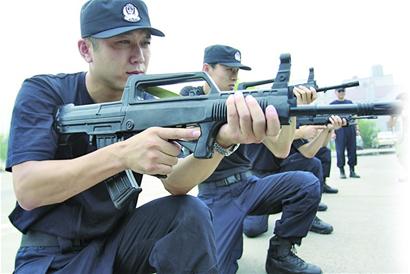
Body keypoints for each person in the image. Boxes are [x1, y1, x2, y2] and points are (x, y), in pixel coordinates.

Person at [5, 2, 282, 273]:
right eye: (122, 42)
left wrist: (221, 142)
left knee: (189, 212)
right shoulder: (45, 92)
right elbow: (29, 189)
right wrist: (123, 154)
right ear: (86, 49)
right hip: (51, 256)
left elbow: (176, 183)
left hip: (118, 243)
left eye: (145, 42)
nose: (139, 55)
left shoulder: (147, 104)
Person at [181, 44, 323, 274]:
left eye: (237, 71)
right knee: (216, 269)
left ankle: (281, 256)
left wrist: (289, 108)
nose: (234, 77)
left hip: (249, 185)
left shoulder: (245, 103)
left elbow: (281, 148)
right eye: (228, 70)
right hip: (215, 194)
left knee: (307, 184)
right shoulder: (189, 99)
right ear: (206, 69)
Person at [243, 118, 344, 237]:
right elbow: (273, 142)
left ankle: (307, 215)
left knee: (312, 163)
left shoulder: (293, 116)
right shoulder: (262, 109)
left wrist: (326, 129)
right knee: (253, 229)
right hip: (256, 173)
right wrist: (300, 133)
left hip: (280, 170)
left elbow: (309, 152)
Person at [330, 88, 360, 179]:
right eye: (339, 91)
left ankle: (352, 171)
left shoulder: (350, 103)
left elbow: (354, 116)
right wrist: (332, 132)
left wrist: (357, 129)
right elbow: (330, 120)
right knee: (340, 151)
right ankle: (342, 171)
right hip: (339, 129)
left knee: (352, 150)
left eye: (343, 91)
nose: (341, 93)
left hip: (350, 128)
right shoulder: (332, 105)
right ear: (335, 93)